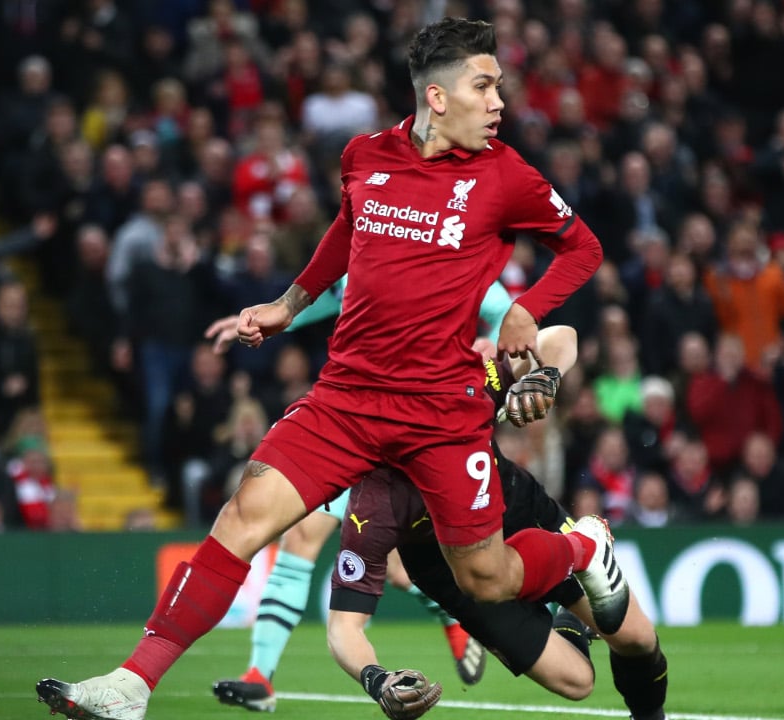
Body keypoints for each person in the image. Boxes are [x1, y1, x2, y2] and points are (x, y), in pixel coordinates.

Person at [37, 19, 621, 720]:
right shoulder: (364, 157)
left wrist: (526, 309)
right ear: (437, 98)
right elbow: (346, 233)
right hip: (347, 397)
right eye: (484, 86)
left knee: (487, 578)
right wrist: (288, 305)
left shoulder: (506, 175)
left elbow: (583, 249)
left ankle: (582, 547)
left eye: (498, 86)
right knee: (244, 515)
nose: (499, 102)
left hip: (440, 411)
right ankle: (133, 684)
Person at [203, 279, 514, 711]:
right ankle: (261, 675)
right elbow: (317, 298)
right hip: (350, 419)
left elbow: (504, 310)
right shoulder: (356, 253)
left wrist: (491, 344)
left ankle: (454, 613)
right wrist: (269, 317)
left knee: (398, 567)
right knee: (302, 537)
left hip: (414, 425)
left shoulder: (446, 252)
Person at [326, 341, 667, 720]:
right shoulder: (371, 507)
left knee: (635, 639)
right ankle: (570, 614)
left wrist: (545, 376)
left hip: (517, 513)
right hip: (457, 578)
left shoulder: (461, 384)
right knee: (577, 682)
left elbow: (561, 338)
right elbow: (342, 626)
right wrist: (376, 679)